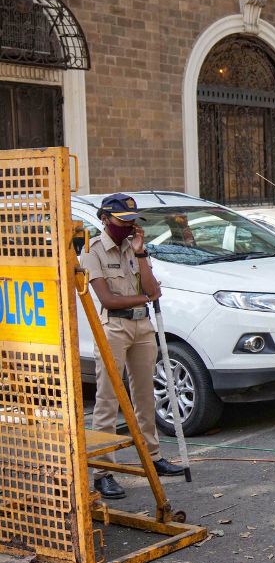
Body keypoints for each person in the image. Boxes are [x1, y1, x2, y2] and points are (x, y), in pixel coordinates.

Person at [80, 194, 185, 500]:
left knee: (144, 395)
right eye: (121, 222)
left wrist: (140, 255)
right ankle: (102, 472)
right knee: (108, 398)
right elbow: (109, 299)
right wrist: (145, 298)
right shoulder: (92, 252)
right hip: (113, 326)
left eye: (132, 222)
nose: (128, 227)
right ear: (105, 219)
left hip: (142, 327)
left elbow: (154, 290)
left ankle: (152, 457)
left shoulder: (136, 249)